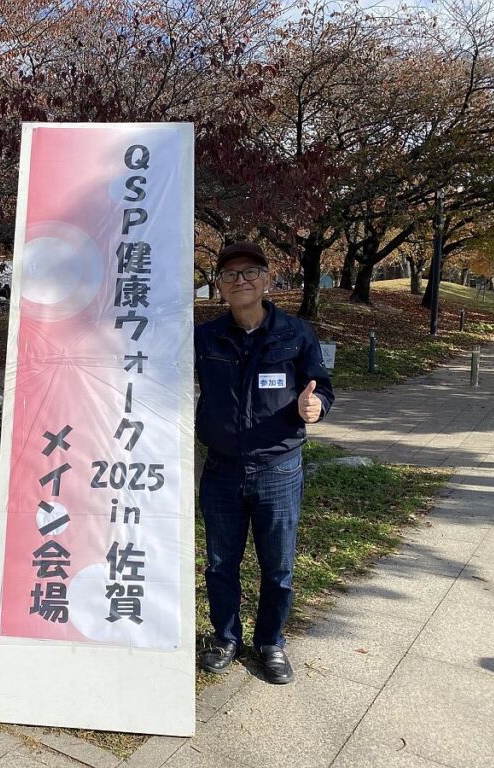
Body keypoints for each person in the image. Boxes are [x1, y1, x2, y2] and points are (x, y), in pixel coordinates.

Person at [194, 240, 334, 685]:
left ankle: (271, 642)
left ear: (267, 279)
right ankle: (226, 638)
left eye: (250, 272)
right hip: (221, 469)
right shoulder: (204, 337)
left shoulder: (296, 333)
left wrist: (316, 406)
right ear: (220, 285)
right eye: (230, 274)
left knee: (278, 566)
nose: (241, 281)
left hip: (279, 468)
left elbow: (322, 387)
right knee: (221, 562)